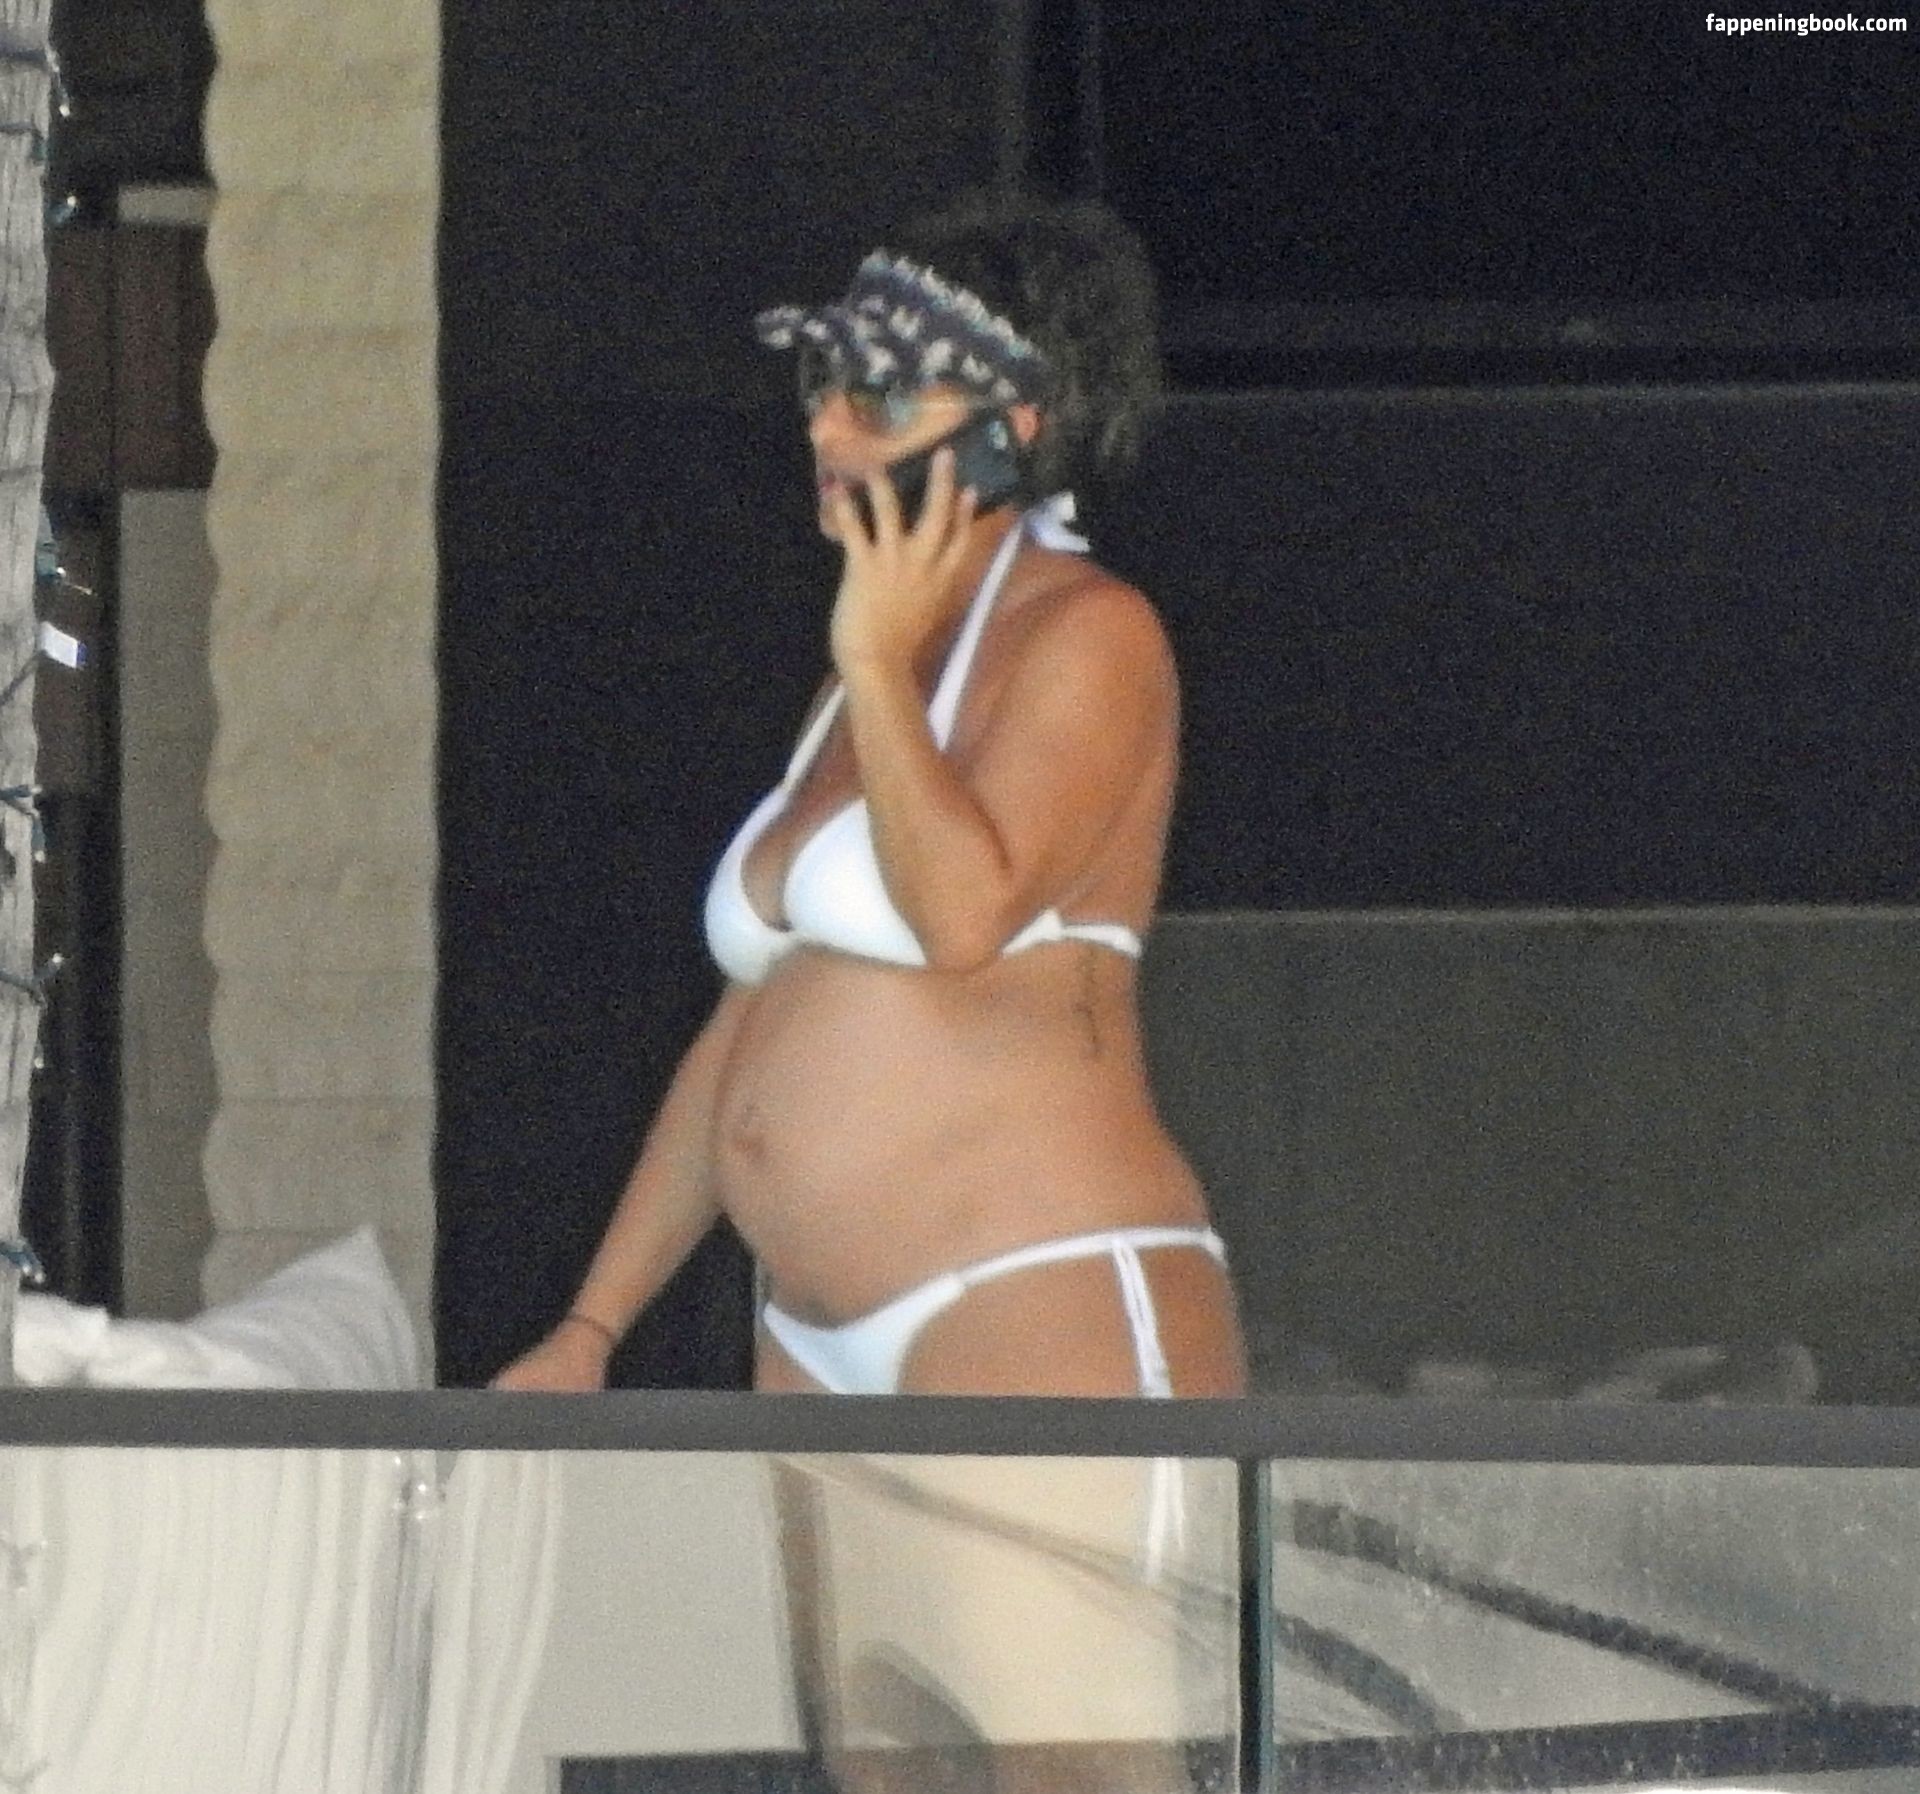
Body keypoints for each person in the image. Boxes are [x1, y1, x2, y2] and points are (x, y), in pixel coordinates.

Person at [493, 194, 1245, 1402]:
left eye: (882, 399)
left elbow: (961, 914)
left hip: (1029, 1288)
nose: (827, 427)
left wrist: (876, 664)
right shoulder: (860, 680)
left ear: (1012, 430)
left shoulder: (1092, 633)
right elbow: (748, 1023)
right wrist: (593, 1324)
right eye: (822, 386)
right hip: (811, 1331)